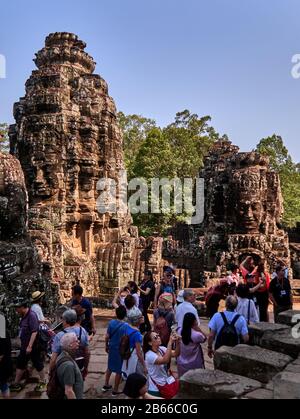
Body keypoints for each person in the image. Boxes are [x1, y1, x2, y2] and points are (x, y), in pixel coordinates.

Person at [10, 299, 46, 393]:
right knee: (21, 363)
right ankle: (16, 383)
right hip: (24, 346)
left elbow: (34, 332)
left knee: (37, 363)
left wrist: (29, 346)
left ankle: (43, 381)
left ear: (22, 307)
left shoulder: (31, 315)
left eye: (17, 308)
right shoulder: (23, 316)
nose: (16, 310)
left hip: (32, 346)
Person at [50, 309, 90, 380]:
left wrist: (51, 372)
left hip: (65, 368)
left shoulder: (60, 335)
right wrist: (85, 367)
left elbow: (53, 359)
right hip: (79, 365)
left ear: (65, 320)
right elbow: (87, 352)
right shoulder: (82, 331)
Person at [143, 331, 180, 398]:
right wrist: (170, 342)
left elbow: (176, 354)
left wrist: (177, 342)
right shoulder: (149, 355)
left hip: (165, 382)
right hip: (155, 387)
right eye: (155, 337)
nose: (159, 337)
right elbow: (165, 360)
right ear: (150, 343)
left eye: (158, 335)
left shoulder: (161, 349)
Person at [103, 306, 127, 396]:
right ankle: (115, 389)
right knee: (119, 370)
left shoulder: (111, 323)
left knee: (109, 366)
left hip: (112, 347)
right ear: (125, 314)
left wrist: (106, 345)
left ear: (116, 314)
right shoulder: (125, 326)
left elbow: (107, 336)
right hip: (120, 350)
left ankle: (106, 384)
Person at [177, 313, 206, 377]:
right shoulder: (197, 335)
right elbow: (204, 338)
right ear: (194, 322)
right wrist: (198, 329)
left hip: (181, 362)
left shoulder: (179, 331)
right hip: (194, 363)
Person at [56, 333, 84, 399]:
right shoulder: (68, 366)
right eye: (76, 341)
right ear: (70, 345)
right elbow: (68, 391)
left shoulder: (62, 355)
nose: (79, 342)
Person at [121, 309, 147, 379]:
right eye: (141, 317)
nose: (143, 317)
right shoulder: (137, 334)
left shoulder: (127, 326)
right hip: (134, 357)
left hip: (128, 352)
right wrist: (144, 365)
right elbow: (139, 353)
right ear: (137, 320)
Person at [0, 323, 13, 398]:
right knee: (3, 385)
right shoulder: (5, 332)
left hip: (2, 365)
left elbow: (1, 354)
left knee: (3, 385)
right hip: (6, 364)